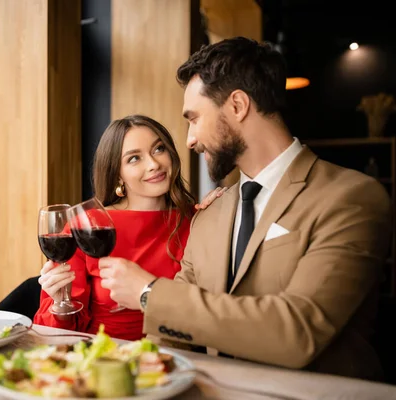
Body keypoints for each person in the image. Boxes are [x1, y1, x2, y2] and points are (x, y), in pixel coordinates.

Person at [97, 37, 392, 380]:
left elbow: (298, 331)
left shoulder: (351, 197)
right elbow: (170, 335)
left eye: (194, 119)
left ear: (237, 105)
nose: (189, 140)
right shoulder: (210, 213)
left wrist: (148, 293)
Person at [33, 115, 224, 341]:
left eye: (159, 149)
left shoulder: (196, 219)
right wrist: (58, 303)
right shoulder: (87, 226)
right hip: (103, 357)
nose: (154, 164)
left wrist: (221, 209)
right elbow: (54, 332)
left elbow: (211, 306)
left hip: (177, 354)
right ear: (117, 175)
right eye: (134, 159)